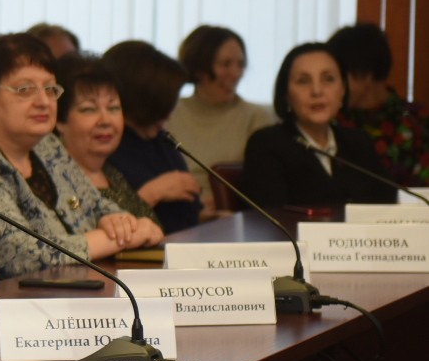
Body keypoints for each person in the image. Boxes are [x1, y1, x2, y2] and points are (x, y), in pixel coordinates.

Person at [0, 34, 162, 278]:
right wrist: (116, 238)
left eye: (50, 89)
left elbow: (95, 205)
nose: (44, 102)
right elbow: (20, 256)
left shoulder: (45, 145)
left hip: (51, 292)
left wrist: (117, 221)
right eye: (25, 90)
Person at [241, 43, 397, 211]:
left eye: (328, 79)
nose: (317, 91)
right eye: (303, 81)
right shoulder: (267, 145)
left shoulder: (359, 142)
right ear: (286, 94)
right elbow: (270, 216)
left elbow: (388, 204)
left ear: (343, 89)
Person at [167, 25, 277, 207]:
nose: (236, 73)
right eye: (226, 64)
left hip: (230, 215)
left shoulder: (256, 118)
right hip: (176, 213)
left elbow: (262, 187)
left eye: (240, 64)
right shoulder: (169, 114)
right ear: (199, 69)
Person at [100, 41, 202, 232]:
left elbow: (186, 206)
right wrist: (153, 193)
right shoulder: (105, 145)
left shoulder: (161, 141)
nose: (169, 115)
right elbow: (98, 221)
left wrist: (207, 217)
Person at [52, 55, 158, 223]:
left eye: (113, 108)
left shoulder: (113, 172)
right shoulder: (53, 181)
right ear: (59, 120)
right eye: (89, 109)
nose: (106, 120)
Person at [328, 22, 429, 187]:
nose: (333, 86)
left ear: (365, 75)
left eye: (336, 76)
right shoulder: (328, 120)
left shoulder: (418, 120)